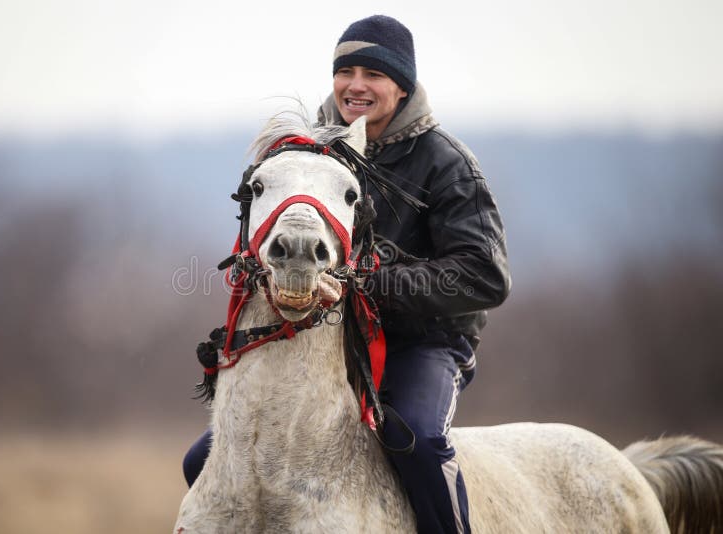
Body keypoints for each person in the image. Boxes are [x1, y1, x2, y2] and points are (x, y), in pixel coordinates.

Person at [184, 15, 510, 534]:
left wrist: (371, 284)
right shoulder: (309, 152)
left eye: (374, 74)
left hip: (422, 343)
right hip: (331, 339)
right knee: (202, 460)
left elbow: (484, 277)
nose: (356, 85)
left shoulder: (447, 164)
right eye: (346, 71)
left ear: (402, 86)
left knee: (419, 441)